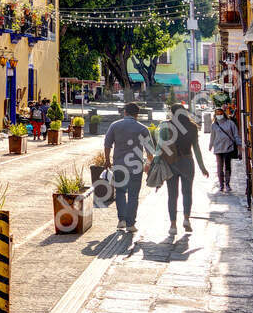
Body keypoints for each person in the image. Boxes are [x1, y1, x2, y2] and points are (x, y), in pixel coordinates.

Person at [155, 106, 210, 237]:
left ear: (172, 113)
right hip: (188, 162)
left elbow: (160, 146)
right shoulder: (192, 127)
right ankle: (186, 219)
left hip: (171, 163)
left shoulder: (166, 126)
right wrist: (202, 167)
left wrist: (155, 164)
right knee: (187, 192)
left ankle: (173, 225)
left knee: (172, 195)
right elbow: (196, 148)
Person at [104, 101, 151, 234]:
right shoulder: (142, 128)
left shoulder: (115, 125)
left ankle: (121, 220)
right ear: (137, 114)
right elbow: (150, 152)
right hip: (136, 167)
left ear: (125, 112)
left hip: (119, 165)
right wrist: (147, 165)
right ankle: (131, 223)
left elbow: (107, 144)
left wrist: (107, 160)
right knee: (133, 195)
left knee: (120, 192)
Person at [210, 109, 243, 193]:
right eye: (217, 113)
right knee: (219, 167)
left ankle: (227, 184)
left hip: (228, 147)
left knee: (227, 166)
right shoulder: (214, 125)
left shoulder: (230, 123)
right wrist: (210, 145)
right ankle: (221, 185)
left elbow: (236, 134)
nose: (219, 115)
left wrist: (239, 144)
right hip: (218, 148)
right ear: (215, 115)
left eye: (220, 113)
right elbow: (212, 136)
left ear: (223, 114)